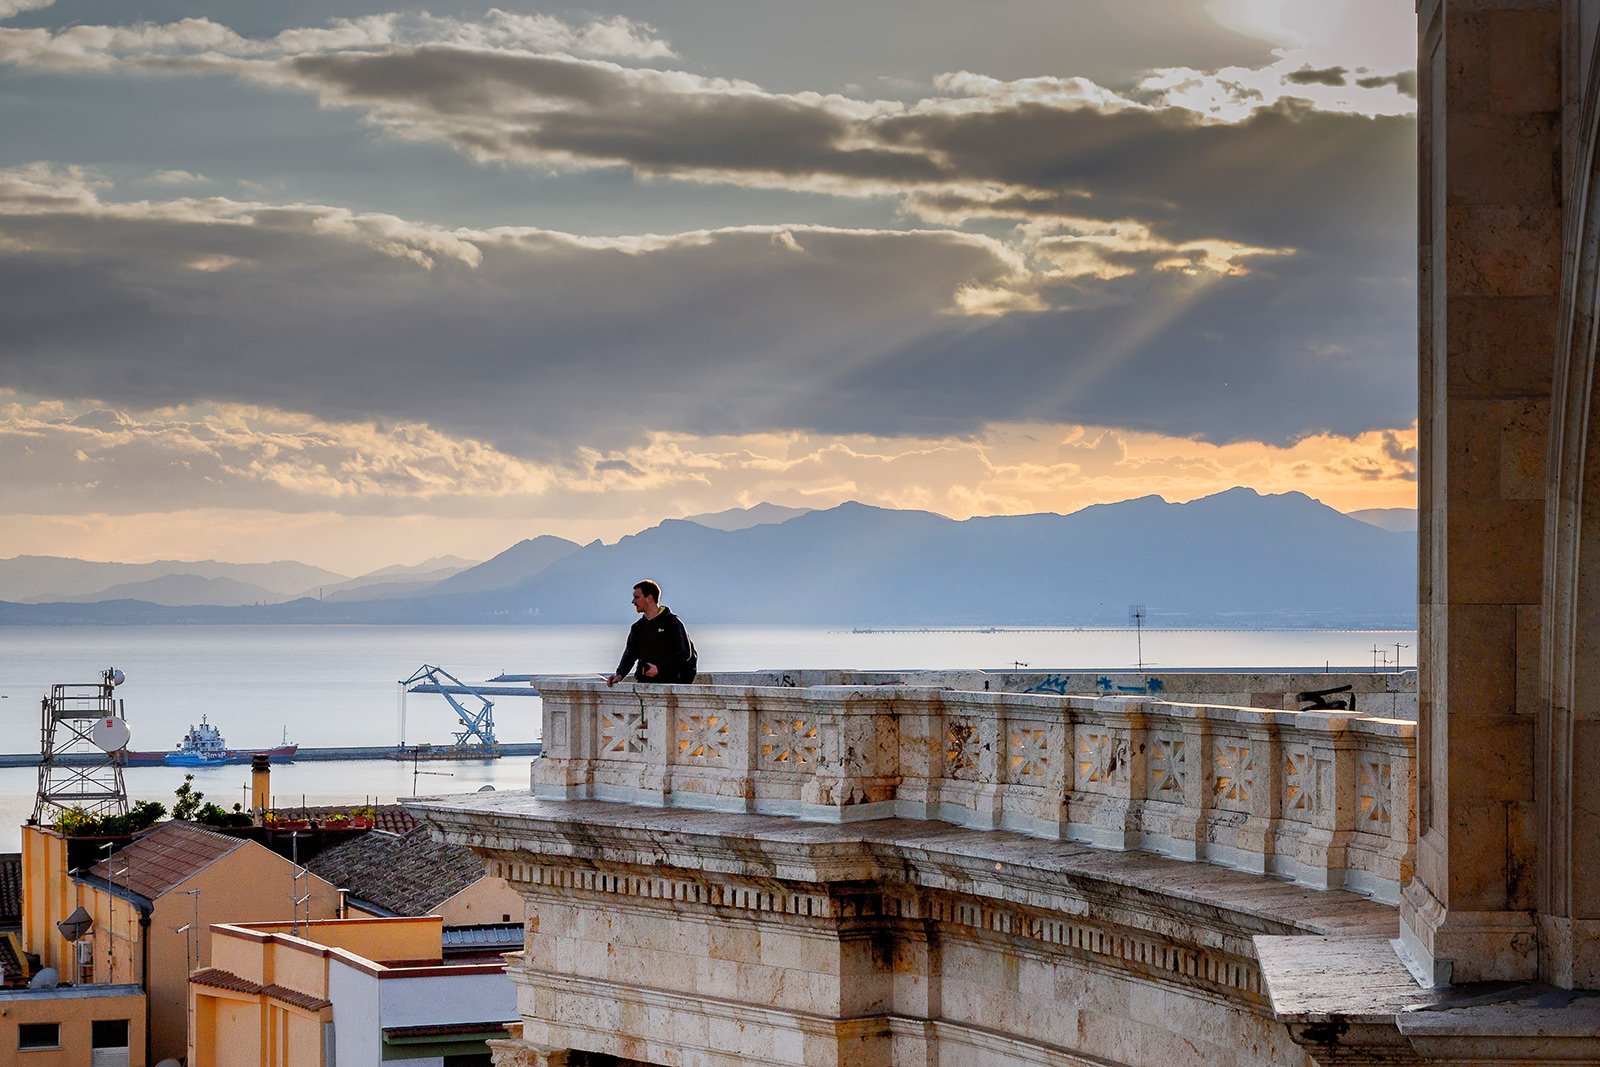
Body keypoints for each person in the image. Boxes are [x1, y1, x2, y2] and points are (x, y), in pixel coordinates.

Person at [606, 580, 695, 686]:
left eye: (637, 597)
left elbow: (684, 653)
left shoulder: (672, 622)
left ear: (649, 598)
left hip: (671, 682)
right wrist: (619, 675)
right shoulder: (637, 627)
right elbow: (630, 654)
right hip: (645, 682)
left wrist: (660, 669)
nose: (633, 602)